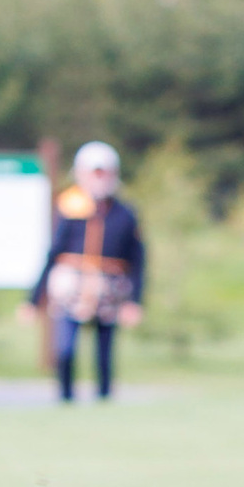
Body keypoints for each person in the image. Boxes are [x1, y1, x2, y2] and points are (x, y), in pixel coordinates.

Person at [24, 139, 144, 402]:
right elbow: (52, 254)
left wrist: (135, 301)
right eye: (94, 172)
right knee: (65, 349)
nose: (99, 178)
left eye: (104, 173)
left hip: (109, 288)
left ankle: (103, 398)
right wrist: (33, 299)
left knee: (104, 354)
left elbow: (137, 259)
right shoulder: (68, 208)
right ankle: (65, 397)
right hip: (71, 286)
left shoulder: (125, 213)